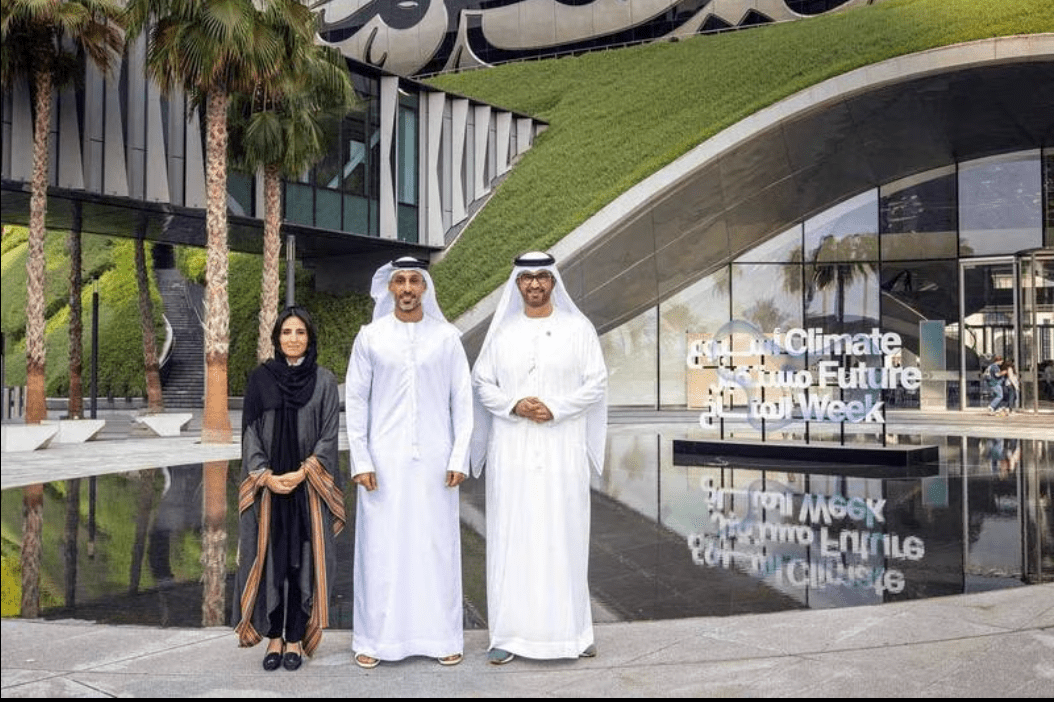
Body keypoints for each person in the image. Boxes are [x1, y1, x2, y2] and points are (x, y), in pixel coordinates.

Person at [471, 251, 608, 665]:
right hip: (511, 454)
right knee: (513, 538)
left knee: (564, 536)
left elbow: (596, 383)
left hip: (562, 451)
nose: (534, 284)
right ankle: (508, 636)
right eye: (527, 278)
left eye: (541, 278)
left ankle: (575, 633)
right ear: (517, 284)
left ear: (553, 282)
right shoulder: (503, 332)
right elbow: (482, 383)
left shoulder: (577, 328)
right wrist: (515, 405)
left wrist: (556, 408)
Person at [345, 256, 473, 668]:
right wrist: (360, 458)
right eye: (399, 281)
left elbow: (463, 403)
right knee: (382, 549)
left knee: (436, 547)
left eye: (414, 280)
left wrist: (459, 454)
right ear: (389, 288)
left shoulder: (447, 337)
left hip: (436, 462)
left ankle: (442, 637)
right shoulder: (370, 337)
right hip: (382, 463)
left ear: (425, 288)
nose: (406, 288)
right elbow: (356, 401)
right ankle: (374, 641)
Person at [234, 307, 345, 672]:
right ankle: (274, 637)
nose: (293, 339)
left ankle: (295, 636)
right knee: (272, 562)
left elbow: (330, 436)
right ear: (276, 338)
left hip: (307, 489)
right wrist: (264, 475)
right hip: (269, 490)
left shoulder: (325, 381)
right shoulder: (261, 379)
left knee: (302, 563)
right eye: (286, 332)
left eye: (300, 332)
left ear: (310, 338)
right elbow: (249, 432)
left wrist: (303, 472)